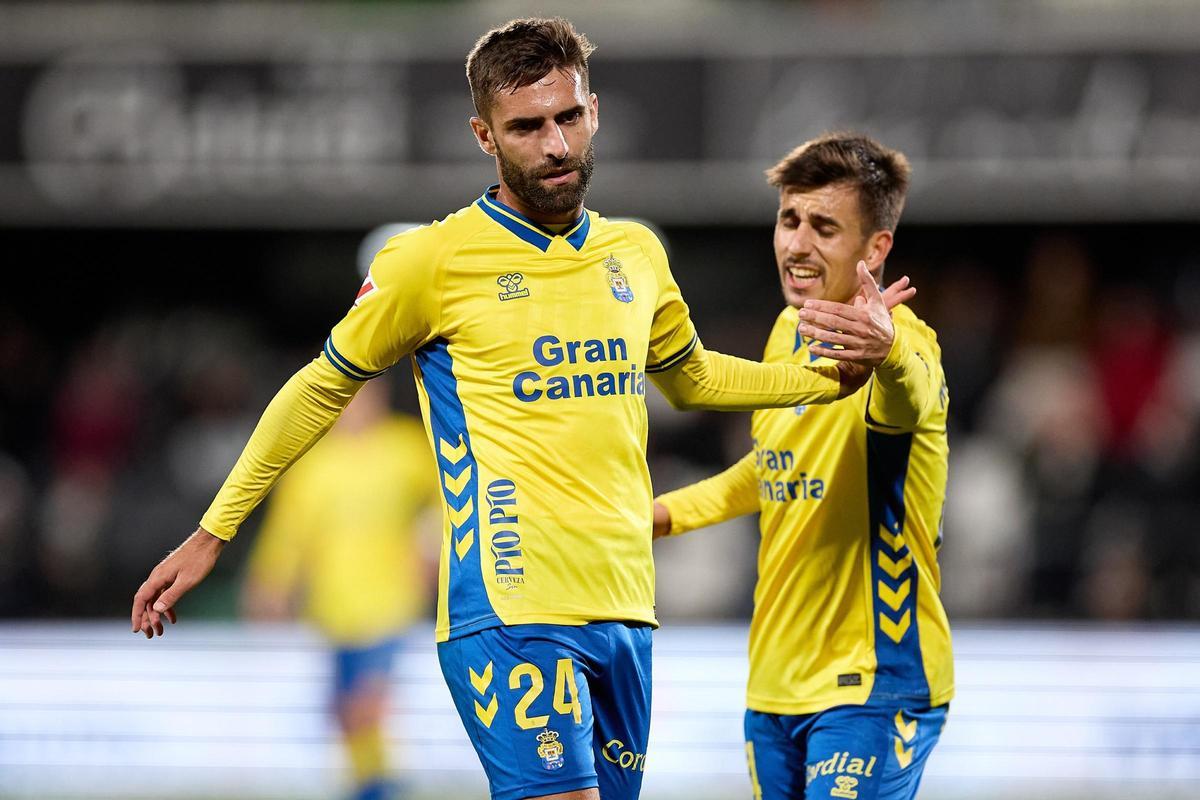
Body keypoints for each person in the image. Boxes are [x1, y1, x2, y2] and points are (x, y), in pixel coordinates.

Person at [132, 19, 907, 800]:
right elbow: (317, 388)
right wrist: (214, 531)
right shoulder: (430, 263)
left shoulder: (635, 255)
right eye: (526, 127)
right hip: (508, 607)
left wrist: (828, 380)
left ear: (593, 111)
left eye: (568, 118)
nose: (556, 145)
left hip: (624, 608)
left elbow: (694, 379)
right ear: (484, 135)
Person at [654, 133, 952, 800]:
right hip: (774, 683)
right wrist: (664, 515)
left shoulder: (906, 346)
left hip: (873, 682)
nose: (796, 244)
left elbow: (914, 397)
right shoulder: (788, 335)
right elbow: (773, 468)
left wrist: (888, 351)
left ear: (875, 249)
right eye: (789, 220)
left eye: (824, 226)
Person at [241, 378, 437, 800]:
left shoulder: (406, 448)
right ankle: (372, 784)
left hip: (391, 599)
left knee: (366, 704)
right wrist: (270, 583)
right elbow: (289, 533)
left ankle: (378, 788)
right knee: (345, 711)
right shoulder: (314, 464)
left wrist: (430, 543)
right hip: (333, 606)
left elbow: (450, 496)